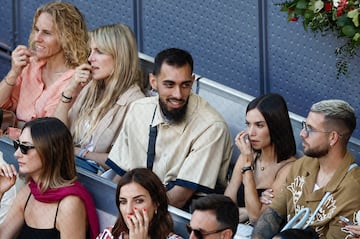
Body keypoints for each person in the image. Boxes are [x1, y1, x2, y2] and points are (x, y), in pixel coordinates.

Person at [106, 48, 232, 209]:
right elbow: (120, 175)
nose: (178, 95)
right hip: (137, 207)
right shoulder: (138, 109)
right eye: (169, 85)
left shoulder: (211, 126)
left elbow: (179, 198)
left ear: (192, 81)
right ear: (153, 82)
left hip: (182, 216)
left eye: (185, 85)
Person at [251, 99, 360, 239]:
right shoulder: (302, 165)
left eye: (311, 129)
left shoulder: (353, 188)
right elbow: (274, 213)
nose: (303, 133)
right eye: (304, 125)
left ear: (333, 138)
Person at [54, 23, 145, 171]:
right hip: (67, 166)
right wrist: (69, 91)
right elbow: (55, 132)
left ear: (119, 57)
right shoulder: (91, 87)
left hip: (94, 178)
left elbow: (123, 160)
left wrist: (79, 152)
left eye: (99, 52)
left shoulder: (136, 103)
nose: (90, 58)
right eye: (91, 51)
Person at [0, 117, 99, 238]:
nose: (17, 154)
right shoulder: (29, 191)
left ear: (50, 152)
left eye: (25, 148)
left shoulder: (69, 204)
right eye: (17, 145)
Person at [0, 2, 88, 132]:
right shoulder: (30, 65)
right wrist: (14, 73)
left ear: (67, 38)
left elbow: (55, 133)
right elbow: (3, 106)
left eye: (46, 33)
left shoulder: (77, 79)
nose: (37, 38)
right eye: (36, 30)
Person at [224, 93, 296, 223]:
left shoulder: (289, 168)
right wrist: (250, 208)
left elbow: (256, 219)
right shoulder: (248, 154)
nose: (251, 133)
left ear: (276, 126)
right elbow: (226, 204)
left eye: (259, 125)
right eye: (248, 124)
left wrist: (247, 167)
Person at [96, 167, 183, 239]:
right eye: (123, 202)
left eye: (138, 201)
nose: (129, 210)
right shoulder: (109, 235)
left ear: (156, 203)